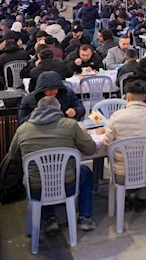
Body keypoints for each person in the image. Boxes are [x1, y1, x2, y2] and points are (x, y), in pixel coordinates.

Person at [7, 96, 97, 232]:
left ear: (37, 109)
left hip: (36, 190)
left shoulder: (22, 129)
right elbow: (90, 149)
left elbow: (13, 156)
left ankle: (50, 219)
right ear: (58, 108)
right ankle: (85, 217)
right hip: (68, 185)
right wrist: (84, 134)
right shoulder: (70, 125)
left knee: (36, 177)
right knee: (85, 172)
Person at [100, 80, 146, 211]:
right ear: (144, 97)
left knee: (112, 158)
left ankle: (124, 198)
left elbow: (107, 142)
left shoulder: (116, 117)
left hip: (121, 173)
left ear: (127, 98)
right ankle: (142, 197)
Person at [18, 70, 86, 125]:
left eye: (54, 91)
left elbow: (81, 109)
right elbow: (21, 121)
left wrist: (75, 111)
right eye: (49, 92)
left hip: (62, 127)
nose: (52, 93)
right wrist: (34, 113)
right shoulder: (29, 99)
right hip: (40, 129)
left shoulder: (67, 94)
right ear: (42, 90)